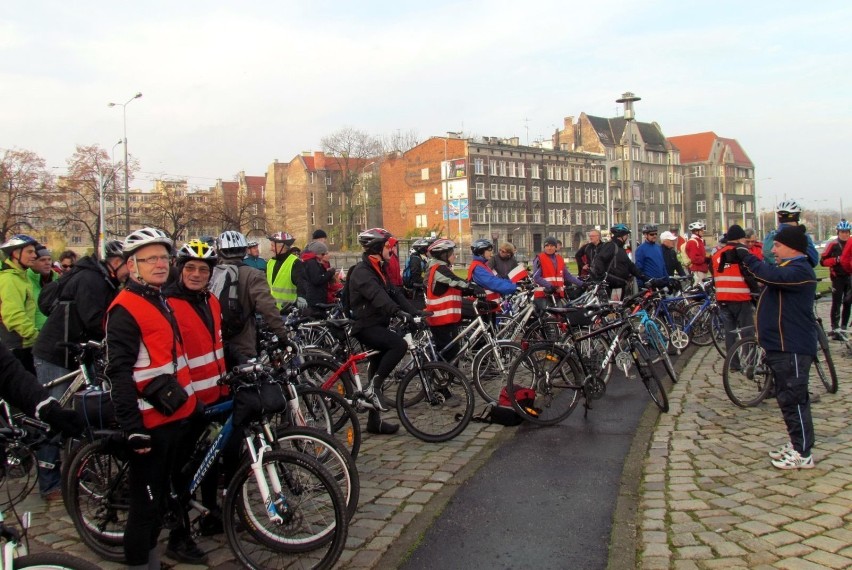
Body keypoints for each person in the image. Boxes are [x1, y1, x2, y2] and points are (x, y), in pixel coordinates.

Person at [104, 227, 200, 568]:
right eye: (151, 259)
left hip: (175, 414)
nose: (160, 264)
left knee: (161, 502)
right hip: (150, 423)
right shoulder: (125, 308)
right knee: (144, 511)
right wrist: (132, 427)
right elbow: (119, 372)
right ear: (132, 266)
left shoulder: (157, 297)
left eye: (164, 257)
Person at [31, 240, 127, 501]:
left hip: (75, 354)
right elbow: (95, 320)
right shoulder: (92, 280)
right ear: (116, 263)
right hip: (54, 353)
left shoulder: (103, 280)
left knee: (83, 415)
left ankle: (80, 467)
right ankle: (49, 484)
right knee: (52, 416)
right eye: (129, 264)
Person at [731, 225, 818, 469]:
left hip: (792, 346)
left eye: (778, 245)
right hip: (782, 345)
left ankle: (803, 452)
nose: (774, 250)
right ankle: (797, 443)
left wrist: (745, 256)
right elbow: (765, 276)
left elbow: (768, 275)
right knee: (787, 399)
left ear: (793, 248)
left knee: (795, 399)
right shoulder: (788, 268)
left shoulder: (800, 269)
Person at [163, 240, 229, 550]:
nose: (196, 274)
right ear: (179, 269)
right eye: (190, 268)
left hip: (214, 395)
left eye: (203, 269)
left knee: (211, 459)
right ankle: (179, 534)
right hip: (185, 401)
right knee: (179, 469)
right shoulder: (168, 305)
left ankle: (211, 513)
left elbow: (215, 345)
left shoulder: (211, 301)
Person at [347, 228, 420, 435]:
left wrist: (415, 312)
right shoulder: (363, 272)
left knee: (377, 365)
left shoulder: (378, 268)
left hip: (377, 323)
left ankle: (374, 422)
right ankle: (373, 388)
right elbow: (378, 296)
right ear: (378, 248)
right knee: (399, 345)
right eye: (389, 246)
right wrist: (397, 313)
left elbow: (393, 293)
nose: (392, 249)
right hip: (365, 326)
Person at [215, 230, 290, 364]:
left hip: (215, 343)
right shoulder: (252, 274)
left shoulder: (210, 273)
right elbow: (267, 306)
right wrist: (282, 334)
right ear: (244, 250)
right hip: (242, 341)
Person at [714, 225, 757, 365]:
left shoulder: (717, 255)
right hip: (741, 297)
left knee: (730, 332)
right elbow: (750, 273)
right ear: (740, 238)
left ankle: (733, 363)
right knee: (747, 332)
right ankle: (751, 362)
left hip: (722, 298)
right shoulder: (741, 252)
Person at [0, 234, 40, 374]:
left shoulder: (22, 278)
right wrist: (36, 336)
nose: (34, 255)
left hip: (24, 346)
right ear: (16, 254)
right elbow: (13, 316)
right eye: (30, 252)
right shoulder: (9, 280)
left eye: (34, 251)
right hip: (15, 346)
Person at [590, 224, 646, 301]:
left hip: (619, 284)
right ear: (621, 236)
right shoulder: (611, 246)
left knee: (617, 307)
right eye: (626, 235)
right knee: (614, 308)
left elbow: (630, 265)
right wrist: (603, 276)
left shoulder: (620, 248)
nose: (627, 238)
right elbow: (599, 259)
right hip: (613, 285)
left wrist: (643, 277)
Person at [467, 239, 517, 322]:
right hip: (483, 307)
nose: (491, 253)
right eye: (489, 250)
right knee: (486, 333)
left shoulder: (483, 265)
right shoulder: (478, 267)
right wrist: (514, 287)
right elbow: (493, 283)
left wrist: (513, 283)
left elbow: (496, 279)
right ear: (481, 252)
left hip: (488, 306)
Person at [820, 219, 851, 337]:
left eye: (847, 232)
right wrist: (836, 260)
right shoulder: (833, 245)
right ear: (838, 232)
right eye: (842, 232)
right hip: (837, 277)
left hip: (849, 277)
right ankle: (835, 327)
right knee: (836, 302)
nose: (845, 234)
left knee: (848, 302)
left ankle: (844, 326)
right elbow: (822, 262)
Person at [763, 200, 818, 266]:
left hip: (773, 273)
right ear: (797, 216)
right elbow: (814, 260)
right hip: (796, 272)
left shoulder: (771, 235)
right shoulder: (801, 235)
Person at [532, 236, 583, 307]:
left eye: (552, 246)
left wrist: (582, 284)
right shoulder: (540, 259)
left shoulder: (559, 259)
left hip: (557, 295)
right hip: (543, 295)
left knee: (561, 316)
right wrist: (550, 286)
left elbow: (567, 276)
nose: (549, 248)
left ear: (555, 247)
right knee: (548, 317)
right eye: (547, 246)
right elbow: (536, 277)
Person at [266, 231, 306, 310]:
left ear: (281, 247)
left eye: (273, 246)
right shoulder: (270, 262)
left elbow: (302, 283)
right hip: (272, 312)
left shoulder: (295, 263)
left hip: (288, 311)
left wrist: (301, 297)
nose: (271, 249)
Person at [27, 245, 58, 331]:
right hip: (31, 335)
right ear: (33, 262)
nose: (47, 263)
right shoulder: (24, 280)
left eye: (49, 259)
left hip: (53, 333)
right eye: (42, 260)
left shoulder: (57, 280)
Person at [301, 240, 337, 315]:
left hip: (317, 296)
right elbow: (317, 280)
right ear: (317, 254)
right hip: (316, 298)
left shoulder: (314, 262)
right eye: (323, 253)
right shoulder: (312, 263)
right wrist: (330, 273)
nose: (325, 255)